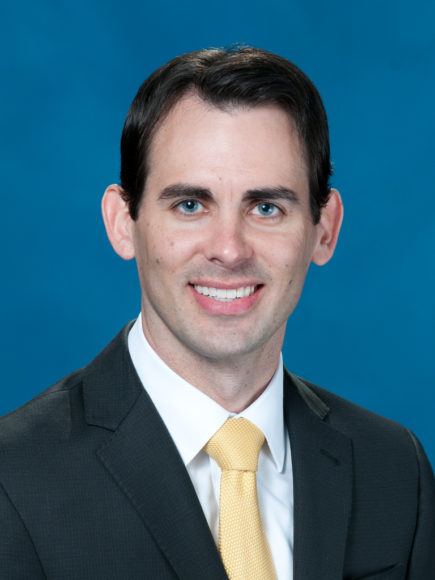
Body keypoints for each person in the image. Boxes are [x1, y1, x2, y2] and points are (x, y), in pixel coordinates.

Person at [0, 47, 433, 580]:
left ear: (324, 229)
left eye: (266, 207)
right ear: (122, 222)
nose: (229, 249)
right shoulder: (12, 481)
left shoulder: (395, 471)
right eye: (190, 205)